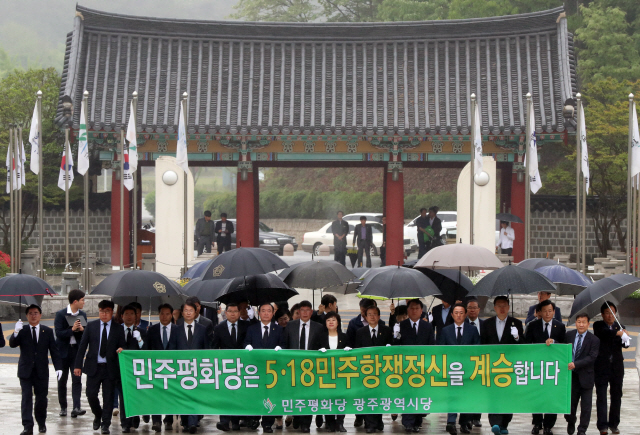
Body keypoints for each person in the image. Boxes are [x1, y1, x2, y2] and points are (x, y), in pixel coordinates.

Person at [74, 300, 126, 435]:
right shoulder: (91, 326)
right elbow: (82, 346)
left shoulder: (118, 328)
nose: (104, 314)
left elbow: (122, 346)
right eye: (101, 311)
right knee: (91, 394)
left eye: (107, 311)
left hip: (110, 368)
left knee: (108, 397)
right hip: (93, 367)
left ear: (112, 312)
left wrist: (121, 348)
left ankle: (106, 424)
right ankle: (98, 414)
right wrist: (78, 365)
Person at [11, 304, 62, 435]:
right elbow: (12, 344)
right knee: (26, 398)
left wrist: (59, 368)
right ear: (27, 316)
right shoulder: (22, 330)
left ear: (40, 315)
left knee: (41, 399)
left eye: (36, 313)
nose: (33, 316)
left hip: (41, 371)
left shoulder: (48, 331)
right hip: (25, 370)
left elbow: (54, 352)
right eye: (31, 313)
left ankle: (41, 422)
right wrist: (16, 332)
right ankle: (27, 425)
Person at [481, 296, 524, 435]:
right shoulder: (486, 324)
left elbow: (523, 346)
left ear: (508, 307)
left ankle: (505, 424)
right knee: (493, 395)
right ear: (494, 308)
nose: (502, 308)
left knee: (507, 395)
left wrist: (516, 337)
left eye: (504, 305)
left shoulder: (516, 323)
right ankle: (495, 423)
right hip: (492, 366)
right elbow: (482, 345)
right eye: (499, 305)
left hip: (509, 367)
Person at [281, 300, 324, 433]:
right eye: (302, 310)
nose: (305, 313)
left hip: (310, 368)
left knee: (308, 395)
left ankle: (306, 423)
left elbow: (321, 345)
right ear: (298, 312)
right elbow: (285, 345)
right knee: (296, 394)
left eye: (307, 310)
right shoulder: (290, 325)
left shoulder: (318, 327)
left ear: (311, 312)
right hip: (294, 366)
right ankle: (297, 417)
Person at [525, 300, 567, 435]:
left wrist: (554, 342)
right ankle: (537, 423)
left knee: (551, 396)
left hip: (553, 368)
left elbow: (565, 346)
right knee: (536, 395)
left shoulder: (560, 326)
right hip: (537, 366)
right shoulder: (532, 326)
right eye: (544, 311)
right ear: (539, 312)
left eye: (550, 311)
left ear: (554, 312)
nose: (547, 313)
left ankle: (548, 425)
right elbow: (526, 345)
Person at [394, 299, 435, 433]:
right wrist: (395, 335)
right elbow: (396, 347)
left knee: (420, 394)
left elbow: (432, 346)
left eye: (417, 308)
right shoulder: (401, 325)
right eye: (411, 308)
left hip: (423, 367)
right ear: (407, 310)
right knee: (407, 394)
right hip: (406, 367)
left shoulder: (428, 327)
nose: (414, 311)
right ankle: (408, 422)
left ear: (421, 310)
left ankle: (417, 421)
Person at [439, 303, 480, 435]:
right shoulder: (446, 330)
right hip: (451, 370)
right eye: (456, 312)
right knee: (453, 396)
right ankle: (451, 422)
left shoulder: (472, 330)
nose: (458, 315)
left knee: (466, 396)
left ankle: (464, 423)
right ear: (452, 315)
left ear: (465, 314)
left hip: (468, 369)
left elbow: (478, 348)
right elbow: (440, 350)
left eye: (461, 312)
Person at [243, 303, 284, 432]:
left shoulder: (278, 329)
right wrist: (247, 347)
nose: (266, 313)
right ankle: (254, 419)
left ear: (273, 314)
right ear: (259, 313)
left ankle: (267, 423)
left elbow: (283, 344)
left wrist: (280, 348)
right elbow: (246, 342)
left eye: (269, 311)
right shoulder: (252, 328)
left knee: (270, 395)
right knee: (256, 394)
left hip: (272, 370)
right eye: (263, 311)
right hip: (255, 368)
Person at [354, 305, 393, 434]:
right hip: (366, 372)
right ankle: (369, 424)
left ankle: (378, 420)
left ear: (379, 316)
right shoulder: (360, 332)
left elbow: (391, 350)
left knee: (379, 396)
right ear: (365, 316)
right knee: (368, 397)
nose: (372, 316)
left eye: (375, 314)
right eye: (369, 314)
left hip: (382, 370)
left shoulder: (386, 331)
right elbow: (357, 352)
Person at [593, 302, 630, 435]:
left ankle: (614, 424)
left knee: (616, 395)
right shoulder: (598, 325)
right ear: (602, 315)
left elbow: (625, 346)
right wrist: (617, 333)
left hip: (617, 367)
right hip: (602, 367)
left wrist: (625, 336)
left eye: (613, 312)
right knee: (601, 396)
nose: (610, 315)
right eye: (607, 313)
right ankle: (602, 426)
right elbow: (604, 334)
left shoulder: (620, 327)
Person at [310, 311, 350, 432]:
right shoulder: (320, 337)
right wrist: (318, 351)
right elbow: (311, 351)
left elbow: (352, 353)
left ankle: (340, 422)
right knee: (327, 397)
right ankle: (330, 422)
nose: (331, 322)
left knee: (341, 397)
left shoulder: (344, 337)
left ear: (338, 322)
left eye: (333, 320)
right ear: (325, 323)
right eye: (328, 320)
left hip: (341, 373)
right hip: (325, 374)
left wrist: (349, 351)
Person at [213, 303, 249, 432]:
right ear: (225, 313)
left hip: (242, 365)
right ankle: (224, 421)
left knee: (238, 393)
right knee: (225, 393)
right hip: (225, 366)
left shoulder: (246, 326)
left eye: (235, 311)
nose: (233, 313)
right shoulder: (219, 328)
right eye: (230, 311)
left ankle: (235, 421)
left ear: (239, 313)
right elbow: (214, 347)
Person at [176, 301, 210, 433]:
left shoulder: (202, 329)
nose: (188, 313)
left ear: (196, 312)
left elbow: (206, 349)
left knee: (195, 395)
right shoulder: (176, 329)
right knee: (184, 395)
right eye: (186, 310)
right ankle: (185, 421)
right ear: (182, 312)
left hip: (197, 368)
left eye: (191, 310)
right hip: (181, 368)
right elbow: (172, 349)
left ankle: (193, 422)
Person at [54, 288, 88, 418]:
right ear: (75, 301)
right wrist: (72, 330)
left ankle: (76, 407)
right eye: (82, 300)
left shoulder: (83, 315)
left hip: (76, 351)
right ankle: (63, 407)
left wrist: (82, 330)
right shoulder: (61, 314)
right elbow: (58, 333)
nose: (84, 302)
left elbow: (86, 335)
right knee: (62, 381)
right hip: (62, 352)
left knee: (77, 379)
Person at [565, 313, 599, 435]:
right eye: (579, 321)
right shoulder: (569, 335)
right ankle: (571, 422)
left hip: (586, 377)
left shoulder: (594, 339)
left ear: (588, 324)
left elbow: (592, 357)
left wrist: (576, 364)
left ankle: (582, 430)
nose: (581, 324)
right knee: (570, 405)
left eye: (583, 322)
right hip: (571, 377)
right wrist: (552, 341)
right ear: (576, 322)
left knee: (586, 407)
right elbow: (561, 348)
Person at [146, 304, 178, 433]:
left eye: (167, 314)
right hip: (156, 368)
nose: (164, 316)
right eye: (162, 313)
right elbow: (146, 349)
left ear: (171, 315)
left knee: (170, 394)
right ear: (158, 315)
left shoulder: (177, 330)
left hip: (172, 368)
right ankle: (156, 421)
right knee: (156, 394)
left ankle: (169, 420)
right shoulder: (152, 330)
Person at [118, 305, 146, 433]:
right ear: (122, 316)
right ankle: (125, 423)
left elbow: (146, 351)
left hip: (137, 371)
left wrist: (139, 339)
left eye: (131, 314)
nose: (129, 316)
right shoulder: (116, 331)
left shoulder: (142, 332)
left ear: (136, 317)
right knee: (123, 397)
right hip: (122, 370)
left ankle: (135, 417)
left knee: (136, 396)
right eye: (126, 314)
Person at [465, 297, 484, 428]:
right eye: (470, 308)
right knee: (467, 391)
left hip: (481, 362)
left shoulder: (485, 325)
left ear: (479, 310)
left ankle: (477, 417)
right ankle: (466, 417)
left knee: (478, 390)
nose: (472, 310)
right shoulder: (462, 323)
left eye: (474, 308)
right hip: (465, 363)